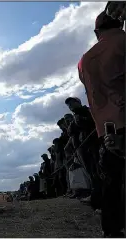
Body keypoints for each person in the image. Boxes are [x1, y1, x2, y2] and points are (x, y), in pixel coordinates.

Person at [78, 11, 125, 238]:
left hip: (105, 128)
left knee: (113, 184)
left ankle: (112, 231)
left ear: (97, 32)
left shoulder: (84, 59)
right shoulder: (124, 42)